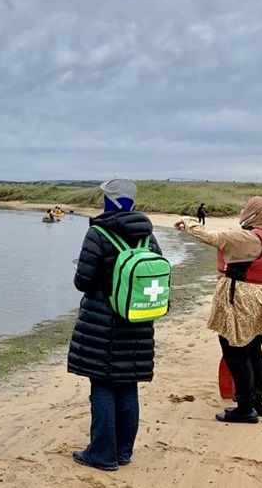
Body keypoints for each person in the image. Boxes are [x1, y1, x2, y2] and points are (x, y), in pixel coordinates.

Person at [68, 177, 163, 471]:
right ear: (132, 202)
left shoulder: (98, 233)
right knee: (127, 384)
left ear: (108, 201)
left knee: (103, 385)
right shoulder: (147, 235)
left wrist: (82, 271)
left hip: (103, 324)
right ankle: (123, 451)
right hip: (138, 322)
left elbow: (83, 281)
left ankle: (103, 454)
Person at [174, 196, 262, 423]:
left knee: (235, 350)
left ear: (255, 214)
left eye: (247, 209)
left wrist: (188, 221)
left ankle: (244, 407)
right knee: (254, 349)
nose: (243, 211)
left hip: (240, 297)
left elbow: (212, 237)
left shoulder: (249, 239)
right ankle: (257, 402)